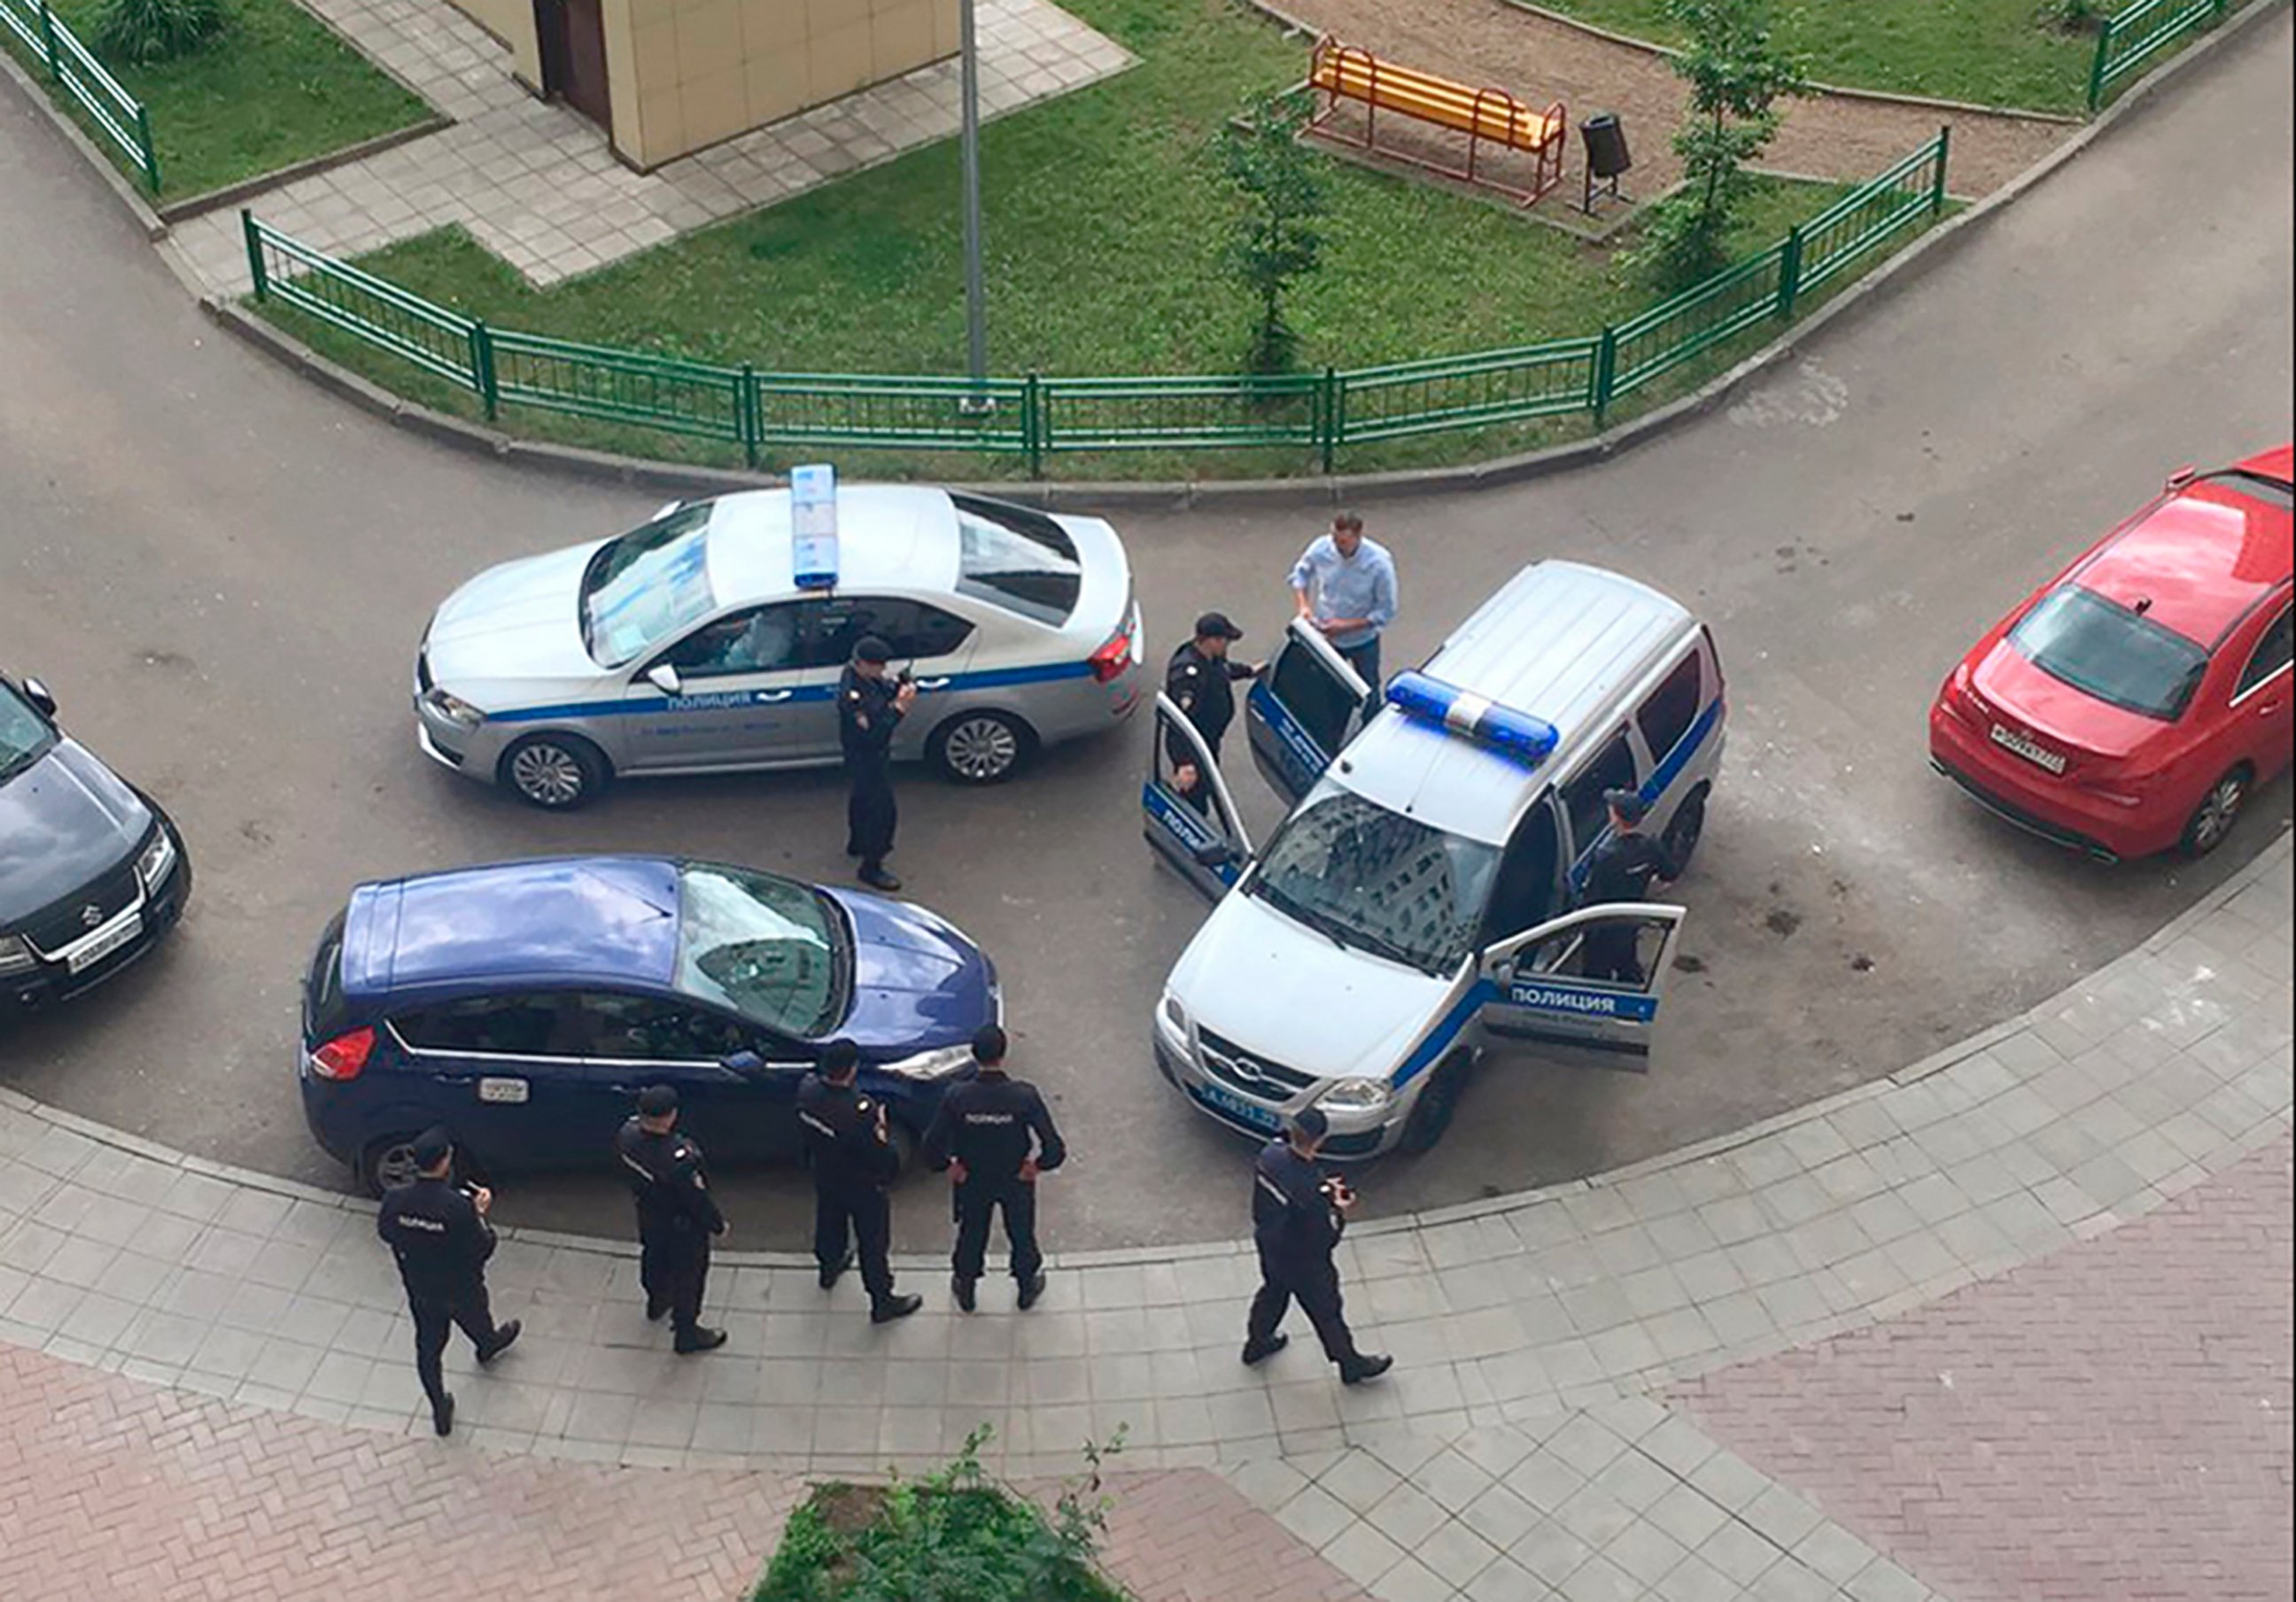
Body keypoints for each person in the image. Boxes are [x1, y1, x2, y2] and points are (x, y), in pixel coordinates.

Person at [376, 1128, 521, 1436]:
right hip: (461, 1287)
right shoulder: (459, 1207)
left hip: (421, 1289)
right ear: (444, 1162)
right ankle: (487, 1346)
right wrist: (480, 1214)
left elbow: (386, 1233)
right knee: (478, 1320)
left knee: (428, 1349)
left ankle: (439, 1407)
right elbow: (483, 1248)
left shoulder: (395, 1198)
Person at [921, 1024, 1067, 1313]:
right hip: (1015, 1177)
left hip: (973, 1178)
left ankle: (966, 1287)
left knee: (971, 1233)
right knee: (1021, 1233)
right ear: (1003, 1053)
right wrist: (1037, 1166)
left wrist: (948, 1166)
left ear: (975, 1056)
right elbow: (1054, 1147)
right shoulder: (1023, 1096)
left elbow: (931, 1144)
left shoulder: (957, 1096)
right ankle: (1026, 1287)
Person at [1240, 1109, 1392, 1387]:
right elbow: (1326, 1236)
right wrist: (1338, 1208)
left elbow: (1294, 1183)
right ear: (1320, 1140)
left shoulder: (1269, 1156)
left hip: (1270, 1245)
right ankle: (1350, 1363)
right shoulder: (1311, 1191)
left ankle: (1257, 1342)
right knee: (1327, 1312)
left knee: (1273, 1292)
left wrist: (1323, 1188)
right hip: (1305, 1262)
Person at [796, 1039, 922, 1324]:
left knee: (829, 1220)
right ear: (851, 1070)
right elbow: (881, 1158)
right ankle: (882, 1300)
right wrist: (880, 1131)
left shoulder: (808, 1092)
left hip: (825, 1172)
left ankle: (828, 1267)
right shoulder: (858, 1111)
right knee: (873, 1242)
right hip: (861, 1184)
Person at [613, 1085, 730, 1355]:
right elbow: (696, 1199)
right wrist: (717, 1225)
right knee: (689, 1276)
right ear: (671, 1115)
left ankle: (657, 1300)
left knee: (653, 1256)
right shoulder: (679, 1159)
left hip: (649, 1213)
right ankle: (687, 1332)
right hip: (682, 1227)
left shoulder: (627, 1135)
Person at [1578, 788, 1682, 984]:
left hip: (1602, 927)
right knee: (1627, 964)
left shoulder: (1606, 857)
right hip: (1630, 921)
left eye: (1611, 809)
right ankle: (1634, 1003)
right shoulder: (1651, 847)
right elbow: (1670, 875)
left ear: (1616, 817)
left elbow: (1591, 899)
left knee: (1595, 978)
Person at [840, 633, 916, 893]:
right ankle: (871, 866)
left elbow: (883, 689)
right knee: (882, 813)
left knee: (860, 799)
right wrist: (900, 710)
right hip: (866, 756)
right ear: (862, 663)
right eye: (878, 665)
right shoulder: (853, 698)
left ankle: (858, 842)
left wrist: (901, 685)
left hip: (867, 756)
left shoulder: (862, 677)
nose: (882, 670)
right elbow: (874, 734)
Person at [1289, 512, 1399, 688]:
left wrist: (1345, 626)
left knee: (1368, 686)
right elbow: (1301, 574)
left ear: (1358, 537)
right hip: (1327, 636)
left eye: (1343, 542)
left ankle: (1371, 715)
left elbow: (1386, 610)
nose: (1336, 546)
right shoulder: (1321, 548)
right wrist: (1304, 606)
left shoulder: (1379, 564)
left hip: (1363, 641)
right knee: (1327, 684)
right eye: (1334, 539)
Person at [1163, 612, 1259, 803]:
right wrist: (1185, 762)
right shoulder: (1188, 675)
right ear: (1210, 641)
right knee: (1194, 796)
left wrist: (1249, 671)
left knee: (1207, 782)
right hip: (1195, 746)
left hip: (1210, 739)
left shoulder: (1212, 658)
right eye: (1225, 640)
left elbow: (1224, 670)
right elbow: (1178, 722)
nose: (1227, 645)